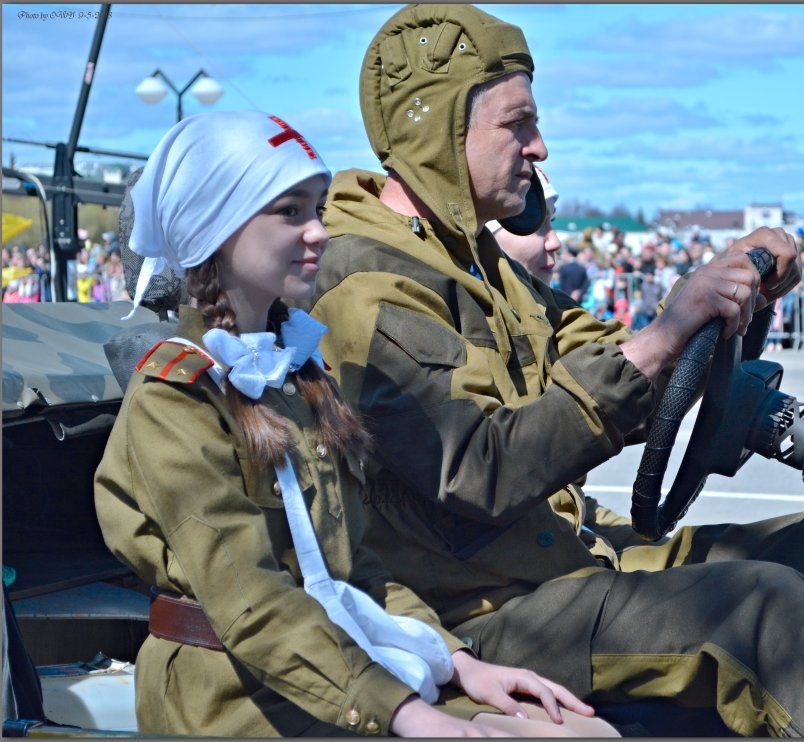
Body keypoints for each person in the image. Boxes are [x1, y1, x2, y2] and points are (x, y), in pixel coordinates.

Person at [311, 5, 804, 736]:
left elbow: (609, 358)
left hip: (555, 564)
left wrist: (720, 298)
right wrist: (666, 335)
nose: (540, 147)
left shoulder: (473, 262)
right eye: (516, 124)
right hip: (476, 613)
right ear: (432, 129)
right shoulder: (368, 282)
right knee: (765, 613)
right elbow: (479, 469)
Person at [92, 110, 615, 738]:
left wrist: (459, 663)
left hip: (336, 663)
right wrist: (405, 712)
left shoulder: (297, 373)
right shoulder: (176, 399)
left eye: (317, 208)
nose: (318, 232)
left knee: (581, 731)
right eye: (289, 212)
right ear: (217, 230)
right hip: (230, 696)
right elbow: (251, 603)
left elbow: (354, 565)